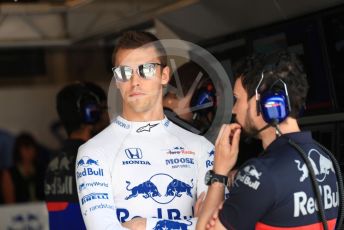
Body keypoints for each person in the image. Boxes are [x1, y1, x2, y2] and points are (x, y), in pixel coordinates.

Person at [76, 31, 214, 229]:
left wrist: (143, 226)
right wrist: (193, 225)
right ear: (116, 80)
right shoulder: (93, 152)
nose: (135, 82)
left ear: (164, 75)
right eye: (124, 72)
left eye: (146, 70)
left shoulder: (201, 148)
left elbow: (215, 226)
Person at [197, 51, 340, 229]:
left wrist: (219, 174)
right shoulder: (329, 161)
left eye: (237, 99)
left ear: (266, 101)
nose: (233, 110)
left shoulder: (260, 172)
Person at [44, 82, 109, 230]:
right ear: (90, 113)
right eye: (103, 109)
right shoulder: (93, 160)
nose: (108, 116)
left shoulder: (53, 164)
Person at [2, 132, 44, 203]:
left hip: (41, 210)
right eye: (25, 147)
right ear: (18, 150)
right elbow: (9, 203)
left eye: (31, 147)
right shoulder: (10, 173)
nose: (29, 151)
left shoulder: (42, 170)